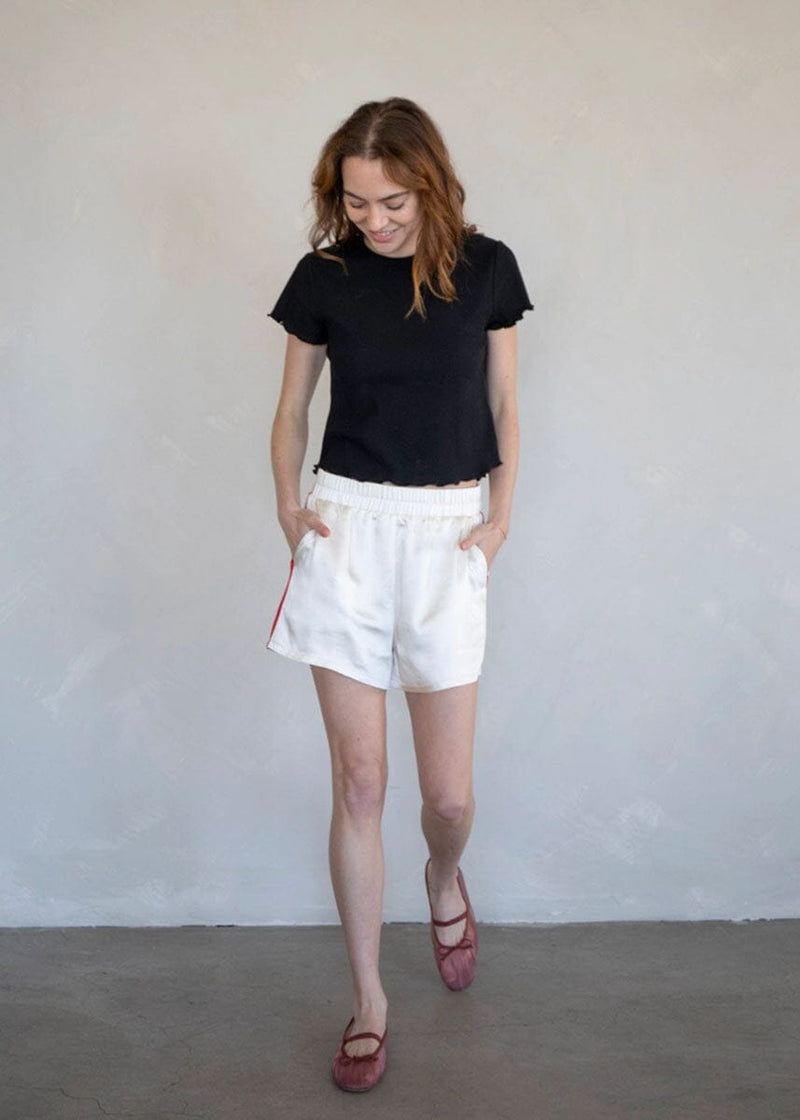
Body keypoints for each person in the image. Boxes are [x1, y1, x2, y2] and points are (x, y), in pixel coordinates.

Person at [266, 97, 532, 1092]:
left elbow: (505, 401)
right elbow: (291, 410)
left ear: (429, 184)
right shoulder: (323, 278)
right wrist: (289, 508)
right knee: (361, 782)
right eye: (355, 202)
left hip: (447, 530)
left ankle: (442, 875)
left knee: (447, 795)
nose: (372, 221)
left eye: (391, 202)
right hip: (347, 528)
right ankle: (370, 1001)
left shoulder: (487, 270)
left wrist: (499, 518)